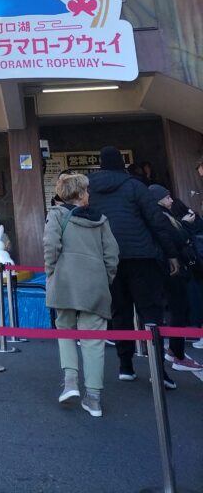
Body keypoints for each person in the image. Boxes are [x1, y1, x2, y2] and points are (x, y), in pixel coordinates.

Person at [87, 145, 180, 389]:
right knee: (150, 312)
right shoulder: (135, 186)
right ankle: (158, 370)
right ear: (121, 163)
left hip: (108, 258)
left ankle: (125, 366)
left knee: (120, 311)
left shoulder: (90, 188)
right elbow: (155, 220)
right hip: (141, 257)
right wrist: (171, 253)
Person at [44, 173, 119, 418]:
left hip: (64, 282)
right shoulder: (101, 219)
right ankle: (94, 398)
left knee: (65, 330)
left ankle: (70, 383)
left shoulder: (56, 215)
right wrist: (105, 278)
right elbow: (112, 255)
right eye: (86, 191)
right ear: (80, 194)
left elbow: (50, 247)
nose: (88, 194)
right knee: (94, 339)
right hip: (95, 286)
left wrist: (51, 273)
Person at [146, 184, 203, 371]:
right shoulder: (160, 216)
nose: (171, 200)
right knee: (179, 309)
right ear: (158, 199)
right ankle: (178, 355)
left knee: (179, 308)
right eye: (167, 197)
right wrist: (186, 224)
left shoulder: (157, 214)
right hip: (172, 268)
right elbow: (175, 239)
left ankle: (173, 351)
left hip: (168, 268)